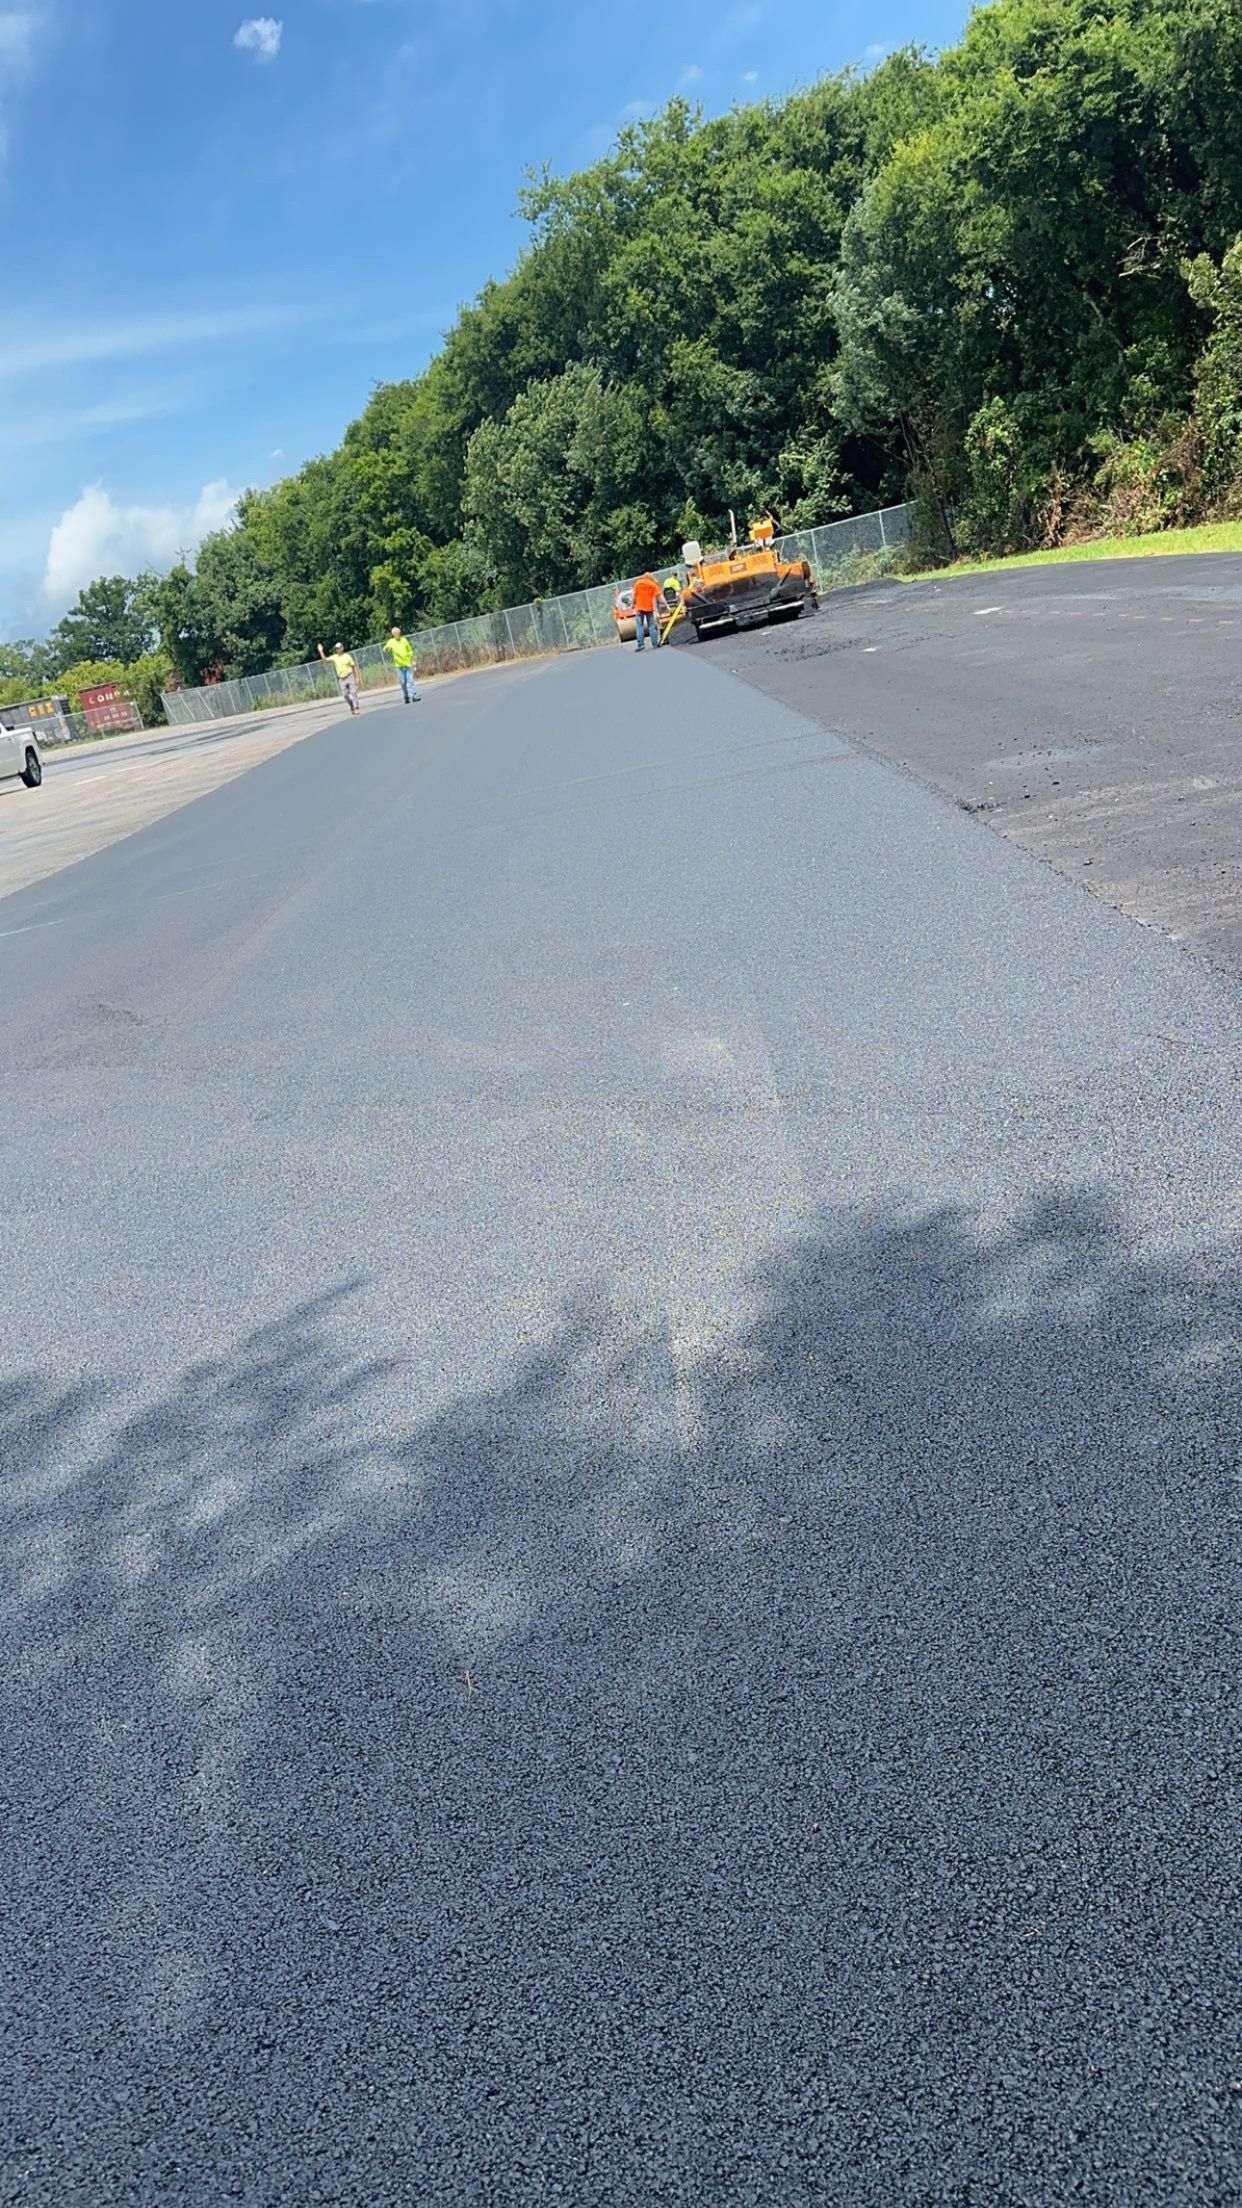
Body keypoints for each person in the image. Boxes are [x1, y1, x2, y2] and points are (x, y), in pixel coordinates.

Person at [318, 641, 360, 715]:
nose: (337, 649)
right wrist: (321, 651)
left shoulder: (347, 656)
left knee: (353, 693)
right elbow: (325, 659)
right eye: (336, 648)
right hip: (341, 679)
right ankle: (351, 706)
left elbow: (354, 666)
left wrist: (356, 677)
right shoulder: (334, 657)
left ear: (342, 648)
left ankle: (356, 708)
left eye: (339, 648)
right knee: (345, 695)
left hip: (349, 676)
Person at [383, 625, 421, 704]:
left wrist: (412, 660)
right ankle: (406, 696)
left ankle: (414, 696)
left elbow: (409, 651)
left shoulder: (404, 640)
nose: (397, 634)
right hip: (399, 666)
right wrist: (387, 648)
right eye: (396, 633)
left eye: (398, 633)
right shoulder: (391, 641)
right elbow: (385, 648)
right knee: (403, 682)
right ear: (393, 634)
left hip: (407, 664)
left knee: (411, 681)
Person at [631, 572, 664, 653]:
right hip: (649, 608)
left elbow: (634, 596)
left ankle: (640, 644)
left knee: (639, 627)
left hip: (639, 608)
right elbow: (659, 596)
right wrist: (665, 605)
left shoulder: (638, 583)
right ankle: (655, 644)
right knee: (651, 626)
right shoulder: (652, 584)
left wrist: (632, 604)